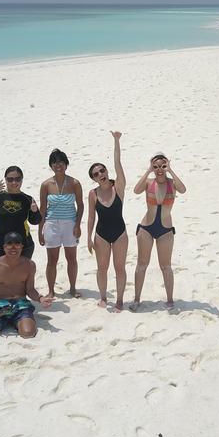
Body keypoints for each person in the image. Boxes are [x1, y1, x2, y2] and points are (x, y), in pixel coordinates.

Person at [133, 153, 187, 311]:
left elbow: (183, 190)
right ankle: (136, 299)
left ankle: (170, 300)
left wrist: (171, 170)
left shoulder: (172, 183)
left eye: (162, 166)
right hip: (146, 228)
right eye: (155, 167)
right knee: (142, 264)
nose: (159, 170)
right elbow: (136, 190)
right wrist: (148, 171)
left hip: (165, 230)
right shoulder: (149, 182)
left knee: (166, 266)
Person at [0, 232, 53, 340]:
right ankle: (7, 321)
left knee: (28, 333)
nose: (13, 247)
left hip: (21, 305)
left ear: (21, 246)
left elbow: (30, 290)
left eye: (17, 244)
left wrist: (41, 299)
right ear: (4, 247)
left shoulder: (29, 265)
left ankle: (19, 321)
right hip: (1, 306)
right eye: (9, 244)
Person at [86, 131, 129, 311]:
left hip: (120, 234)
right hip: (101, 235)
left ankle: (119, 299)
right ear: (94, 178)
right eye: (96, 173)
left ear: (106, 171)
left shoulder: (118, 186)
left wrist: (116, 141)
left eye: (102, 170)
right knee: (102, 268)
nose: (100, 174)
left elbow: (118, 163)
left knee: (119, 268)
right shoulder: (93, 194)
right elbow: (90, 217)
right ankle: (103, 297)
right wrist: (88, 238)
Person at [38, 149, 84, 299]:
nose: (59, 165)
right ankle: (51, 290)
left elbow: (81, 205)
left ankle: (72, 288)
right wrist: (40, 230)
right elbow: (43, 209)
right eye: (55, 162)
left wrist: (78, 225)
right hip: (51, 224)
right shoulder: (46, 185)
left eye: (61, 162)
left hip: (70, 223)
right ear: (51, 165)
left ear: (66, 164)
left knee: (72, 258)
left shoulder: (74, 183)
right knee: (52, 260)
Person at [0, 165, 41, 261]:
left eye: (17, 179)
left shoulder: (27, 199)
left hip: (23, 245)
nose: (14, 182)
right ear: (6, 180)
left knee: (20, 275)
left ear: (22, 179)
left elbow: (35, 221)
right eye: (10, 179)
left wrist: (35, 211)